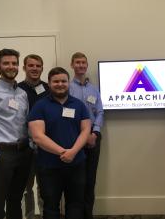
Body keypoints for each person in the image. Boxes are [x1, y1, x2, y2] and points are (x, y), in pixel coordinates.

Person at [28, 67, 91, 219]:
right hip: (49, 166)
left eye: (63, 81)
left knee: (76, 204)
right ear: (49, 84)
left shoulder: (79, 105)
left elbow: (85, 130)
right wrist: (63, 153)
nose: (60, 84)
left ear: (68, 83)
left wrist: (73, 152)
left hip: (76, 164)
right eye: (56, 81)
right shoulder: (40, 106)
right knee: (50, 207)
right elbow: (37, 136)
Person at [0, 48, 33, 219]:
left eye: (14, 63)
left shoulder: (22, 94)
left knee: (15, 200)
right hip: (3, 153)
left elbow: (26, 123)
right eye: (6, 63)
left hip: (23, 152)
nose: (11, 66)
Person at [69, 52, 104, 219]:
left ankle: (88, 215)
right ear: (72, 65)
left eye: (83, 62)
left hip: (93, 139)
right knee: (75, 181)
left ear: (86, 65)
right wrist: (82, 135)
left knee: (90, 181)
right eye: (77, 62)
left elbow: (100, 112)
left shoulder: (94, 89)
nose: (81, 65)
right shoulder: (67, 87)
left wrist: (95, 133)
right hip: (73, 139)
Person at [18, 54, 49, 219]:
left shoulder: (49, 88)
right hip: (24, 147)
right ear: (24, 68)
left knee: (44, 186)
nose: (35, 68)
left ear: (42, 68)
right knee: (26, 187)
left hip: (45, 146)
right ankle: (29, 216)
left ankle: (46, 215)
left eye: (38, 66)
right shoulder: (17, 89)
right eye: (31, 65)